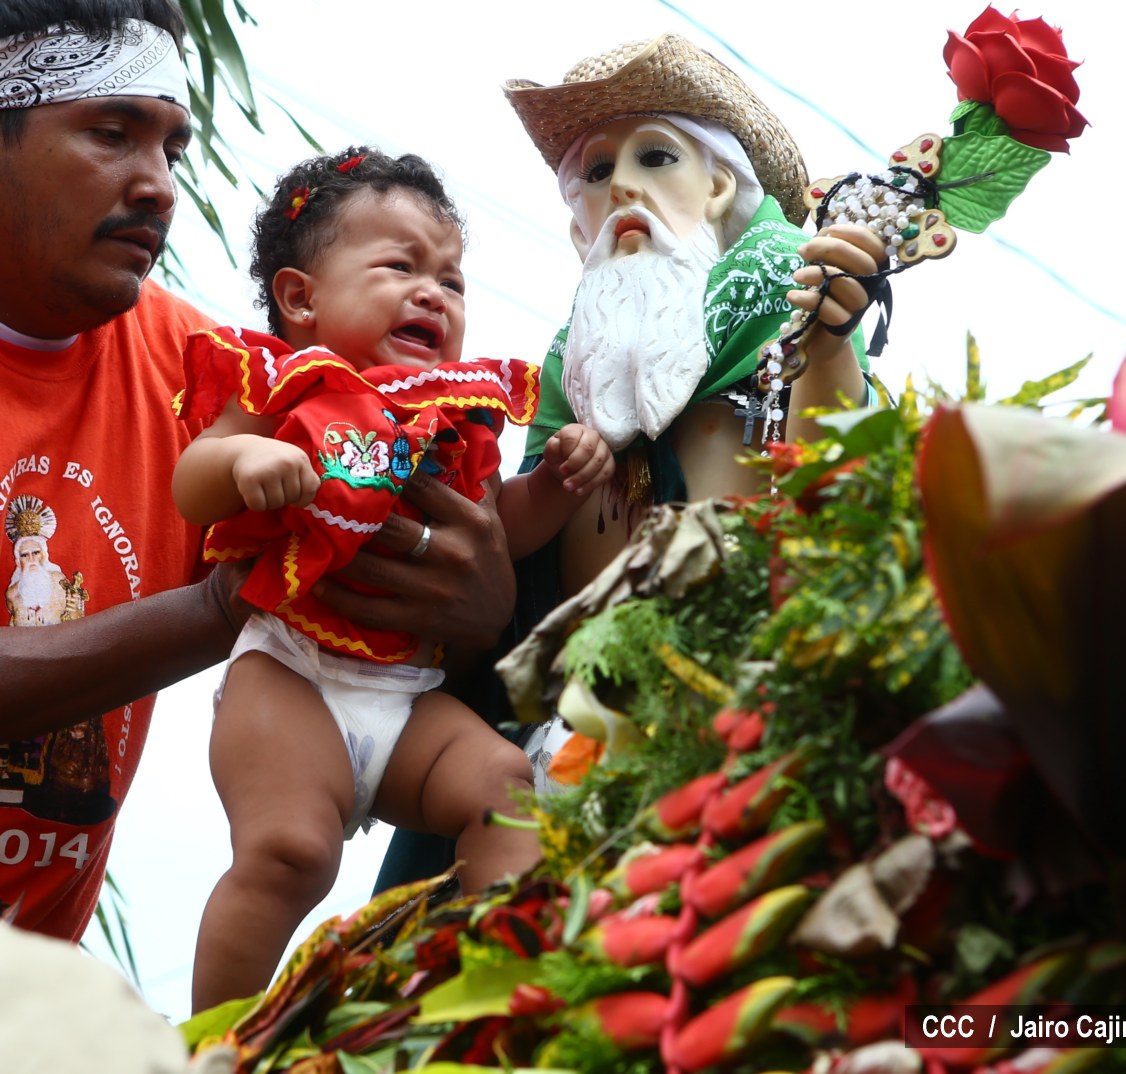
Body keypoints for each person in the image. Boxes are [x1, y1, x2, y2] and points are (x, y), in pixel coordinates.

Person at [0, 0, 518, 947]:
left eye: (172, 150)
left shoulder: (234, 377)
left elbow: (431, 565)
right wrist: (220, 606)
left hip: (35, 981)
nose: (158, 186)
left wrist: (478, 601)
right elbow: (248, 590)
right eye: (111, 134)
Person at [374, 33, 891, 891]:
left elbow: (842, 512)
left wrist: (830, 344)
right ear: (577, 220)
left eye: (656, 156)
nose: (621, 186)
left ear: (718, 187)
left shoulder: (795, 307)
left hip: (734, 756)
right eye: (595, 170)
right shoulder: (562, 376)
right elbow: (505, 597)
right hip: (553, 771)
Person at [172, 147, 614, 1011]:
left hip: (409, 701)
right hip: (290, 674)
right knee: (291, 853)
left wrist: (559, 485)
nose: (433, 294)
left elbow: (499, 526)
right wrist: (247, 459)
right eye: (399, 268)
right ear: (300, 299)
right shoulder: (287, 386)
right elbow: (195, 480)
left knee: (503, 789)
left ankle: (486, 999)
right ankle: (213, 1042)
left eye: (451, 280)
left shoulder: (456, 417)